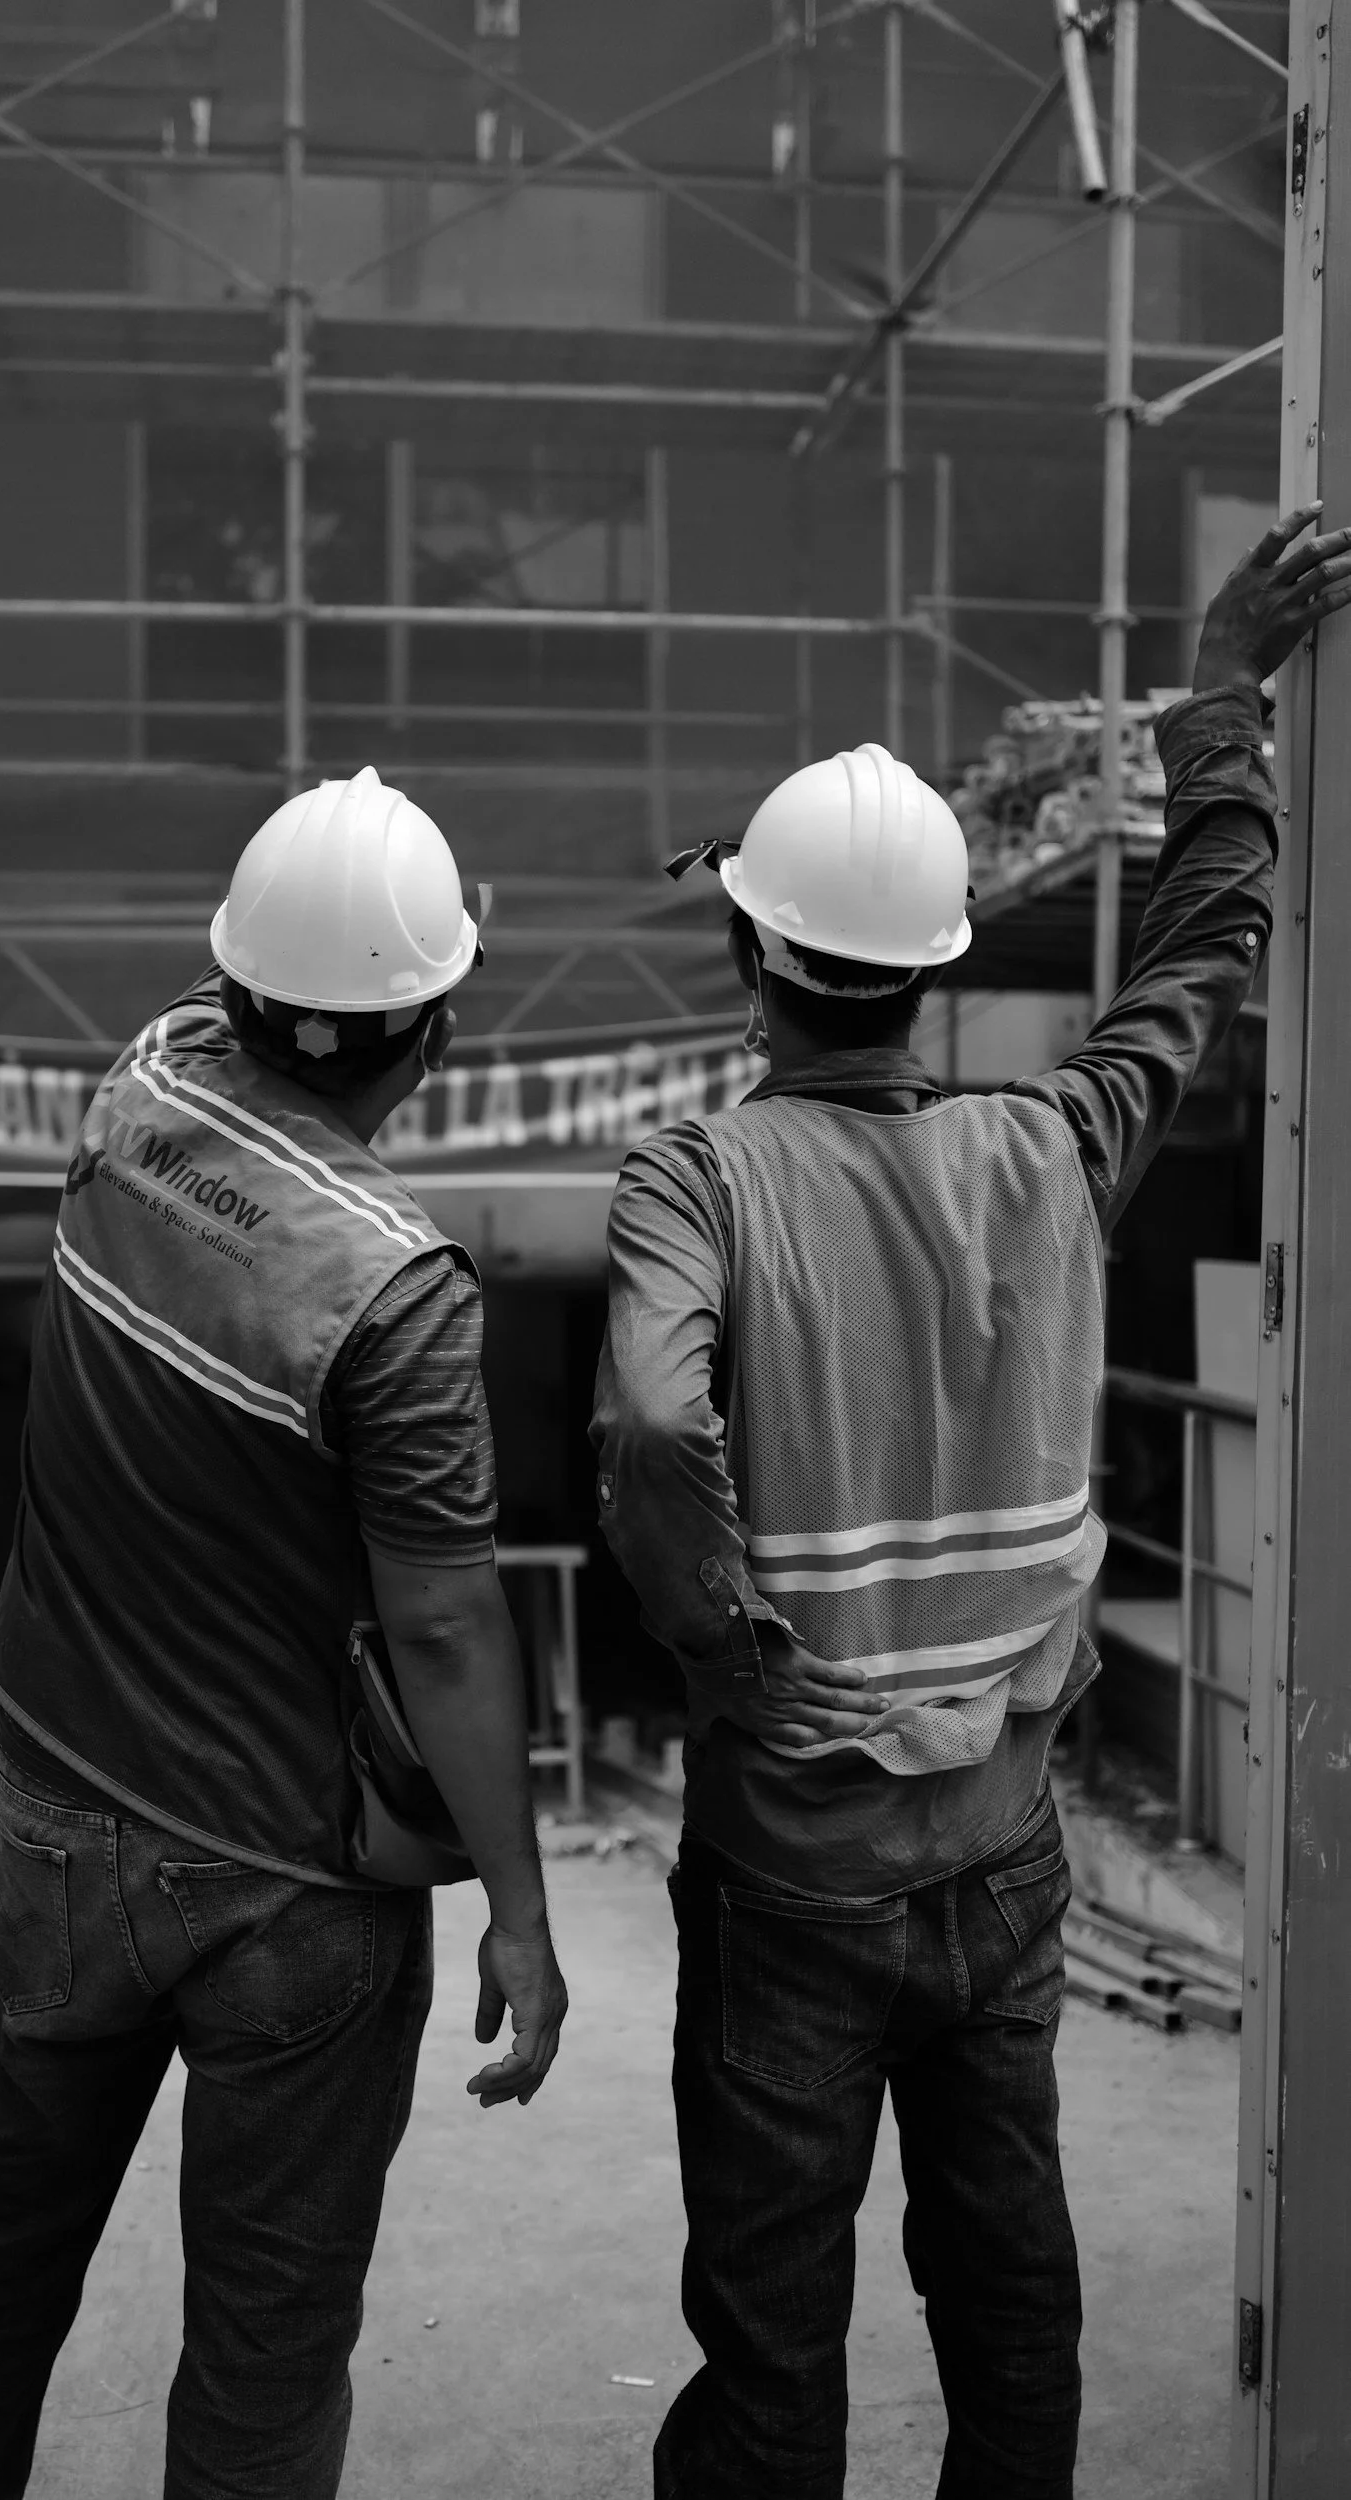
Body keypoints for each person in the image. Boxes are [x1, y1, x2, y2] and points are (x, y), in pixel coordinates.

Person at [591, 507, 1351, 2500]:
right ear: (935, 972)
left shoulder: (696, 1183)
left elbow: (658, 1431)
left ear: (756, 957)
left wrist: (726, 1645)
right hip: (1005, 1852)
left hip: (791, 1862)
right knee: (1011, 2293)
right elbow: (1203, 954)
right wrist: (1220, 698)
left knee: (774, 2329)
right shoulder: (1054, 1146)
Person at [0, 766, 569, 2500]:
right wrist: (522, 1909)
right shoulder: (399, 1289)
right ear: (436, 1037)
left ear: (237, 984)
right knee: (268, 2339)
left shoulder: (141, 1086)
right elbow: (447, 1631)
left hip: (57, 1826)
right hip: (292, 1889)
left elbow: (260, 989)